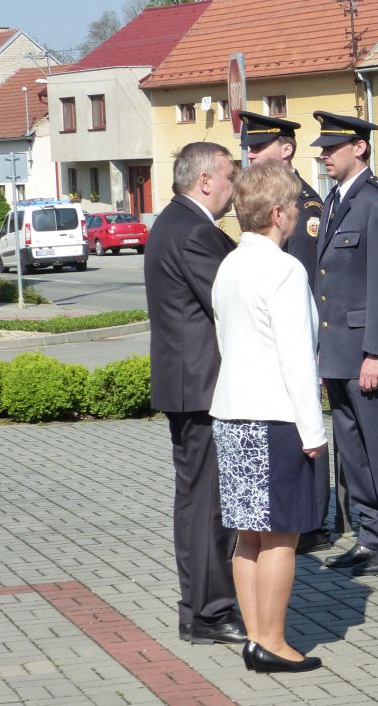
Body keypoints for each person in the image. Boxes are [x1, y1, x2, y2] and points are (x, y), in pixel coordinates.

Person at [210, 160, 326, 674]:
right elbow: (296, 358)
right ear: (277, 213)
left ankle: (256, 637)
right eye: (295, 203)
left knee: (248, 534)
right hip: (275, 417)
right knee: (282, 534)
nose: (299, 211)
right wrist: (314, 430)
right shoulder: (284, 269)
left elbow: (224, 339)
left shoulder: (230, 265)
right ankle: (273, 641)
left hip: (231, 413)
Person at [144, 142, 246, 646]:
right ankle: (209, 612)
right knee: (209, 505)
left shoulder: (175, 222)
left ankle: (198, 608)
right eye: (230, 177)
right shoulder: (194, 232)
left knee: (198, 500)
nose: (234, 187)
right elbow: (230, 303)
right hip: (203, 388)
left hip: (190, 384)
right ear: (205, 181)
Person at [310, 111, 378, 576]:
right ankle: (370, 535)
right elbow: (327, 282)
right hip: (339, 353)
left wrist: (377, 353)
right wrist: (322, 349)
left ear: (360, 148)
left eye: (332, 148)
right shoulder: (334, 202)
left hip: (371, 356)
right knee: (353, 453)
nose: (324, 156)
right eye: (322, 148)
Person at [238, 110, 336, 555]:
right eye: (249, 148)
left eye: (260, 147)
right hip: (273, 334)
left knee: (306, 422)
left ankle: (311, 522)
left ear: (287, 149)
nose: (252, 155)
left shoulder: (304, 205)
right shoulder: (265, 199)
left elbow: (311, 278)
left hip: (300, 329)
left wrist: (315, 346)